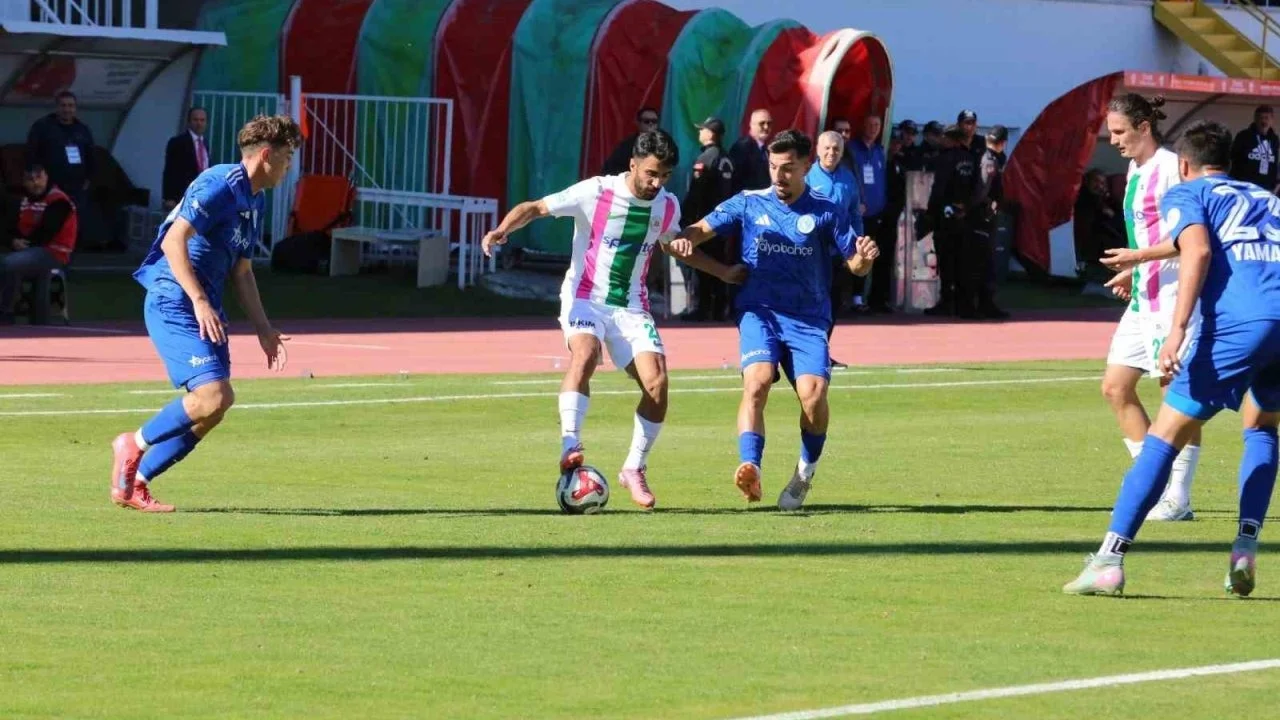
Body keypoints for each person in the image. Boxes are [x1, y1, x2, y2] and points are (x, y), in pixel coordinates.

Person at [1064, 120, 1280, 597]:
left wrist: (1178, 328)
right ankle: (1245, 548)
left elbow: (1197, 250)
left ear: (1184, 164)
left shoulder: (1187, 192)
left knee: (1163, 438)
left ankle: (1109, 561)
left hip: (1241, 326)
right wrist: (1143, 258)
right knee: (1262, 428)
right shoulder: (1264, 197)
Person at [481, 130, 744, 510]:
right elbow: (536, 208)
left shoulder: (667, 205)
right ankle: (570, 444)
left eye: (665, 176)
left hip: (631, 307)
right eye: (651, 173)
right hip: (585, 297)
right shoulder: (596, 191)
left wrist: (722, 272)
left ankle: (633, 468)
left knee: (657, 384)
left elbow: (674, 246)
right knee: (586, 354)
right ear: (633, 164)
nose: (657, 183)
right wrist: (502, 230)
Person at [670, 129, 879, 510]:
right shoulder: (749, 202)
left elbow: (854, 263)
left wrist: (863, 260)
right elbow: (699, 230)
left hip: (808, 318)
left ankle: (804, 474)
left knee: (813, 397)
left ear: (806, 167)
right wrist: (686, 239)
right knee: (757, 382)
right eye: (773, 167)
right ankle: (750, 465)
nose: (779, 176)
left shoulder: (826, 210)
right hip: (759, 311)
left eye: (788, 168)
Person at [108, 115, 299, 513]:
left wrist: (264, 329)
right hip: (174, 299)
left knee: (216, 406)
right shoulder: (218, 184)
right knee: (212, 396)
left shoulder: (255, 200)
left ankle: (136, 483)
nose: (289, 167)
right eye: (287, 157)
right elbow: (173, 241)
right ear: (266, 155)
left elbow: (242, 271)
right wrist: (198, 299)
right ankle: (133, 443)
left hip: (203, 306)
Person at [1097, 94, 1203, 522]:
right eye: (1110, 132)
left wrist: (1138, 258)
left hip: (1174, 296)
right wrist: (1133, 271)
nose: (1113, 140)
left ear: (1144, 127)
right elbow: (1149, 234)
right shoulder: (1134, 169)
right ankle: (1152, 484)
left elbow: (1191, 237)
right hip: (1145, 295)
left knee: (1172, 395)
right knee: (1115, 387)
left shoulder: (1171, 168)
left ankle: (1177, 497)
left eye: (1119, 131)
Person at [806, 130, 862, 369]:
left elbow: (854, 214)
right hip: (810, 253)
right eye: (827, 148)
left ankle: (821, 353)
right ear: (818, 150)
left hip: (837, 253)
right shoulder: (806, 177)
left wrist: (857, 243)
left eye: (836, 149)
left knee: (833, 304)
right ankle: (801, 353)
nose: (831, 153)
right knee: (809, 304)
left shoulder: (848, 178)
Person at [0, 163, 77, 325]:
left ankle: (5, 311)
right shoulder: (23, 201)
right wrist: (13, 241)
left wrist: (22, 245)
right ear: (24, 181)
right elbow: (8, 228)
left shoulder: (59, 201)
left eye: (39, 178)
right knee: (12, 264)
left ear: (46, 177)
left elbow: (46, 233)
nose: (35, 183)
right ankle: (10, 312)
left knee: (9, 263)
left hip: (54, 253)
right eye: (30, 179)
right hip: (31, 251)